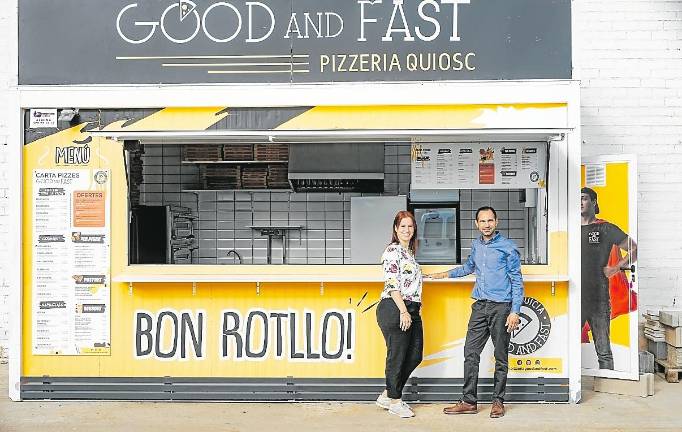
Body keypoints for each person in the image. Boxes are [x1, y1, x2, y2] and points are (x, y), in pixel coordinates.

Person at [428, 206, 523, 418]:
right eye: (482, 221)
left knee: (500, 356)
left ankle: (498, 401)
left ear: (496, 222)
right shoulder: (477, 245)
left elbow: (517, 281)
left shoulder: (508, 247)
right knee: (470, 353)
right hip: (480, 306)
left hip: (501, 307)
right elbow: (468, 267)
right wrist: (444, 274)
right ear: (477, 224)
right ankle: (469, 401)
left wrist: (515, 311)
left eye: (490, 220)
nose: (486, 225)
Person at [581, 187, 637, 370]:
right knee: (567, 346)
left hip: (599, 297)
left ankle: (607, 382)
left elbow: (634, 248)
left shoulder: (605, 228)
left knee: (603, 350)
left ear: (594, 202)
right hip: (574, 297)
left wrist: (616, 268)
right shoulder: (569, 229)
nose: (579, 202)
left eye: (583, 198)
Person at [375, 210, 424, 418]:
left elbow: (407, 279)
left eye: (410, 226)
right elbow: (392, 283)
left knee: (414, 355)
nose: (406, 230)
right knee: (397, 356)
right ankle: (395, 401)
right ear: (396, 229)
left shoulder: (409, 254)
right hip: (395, 307)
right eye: (402, 226)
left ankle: (388, 394)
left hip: (411, 308)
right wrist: (403, 310)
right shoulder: (392, 251)